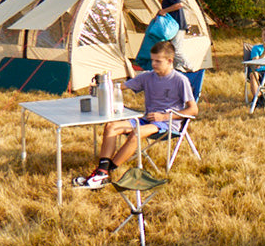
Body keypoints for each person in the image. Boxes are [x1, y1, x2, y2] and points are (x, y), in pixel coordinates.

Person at [74, 41, 198, 189]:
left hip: (167, 123)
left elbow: (193, 110)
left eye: (158, 61)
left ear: (170, 61)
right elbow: (121, 86)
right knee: (111, 127)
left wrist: (163, 116)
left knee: (136, 133)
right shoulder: (147, 76)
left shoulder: (180, 80)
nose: (153, 64)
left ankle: (105, 173)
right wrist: (102, 85)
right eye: (152, 60)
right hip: (147, 120)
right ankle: (101, 173)